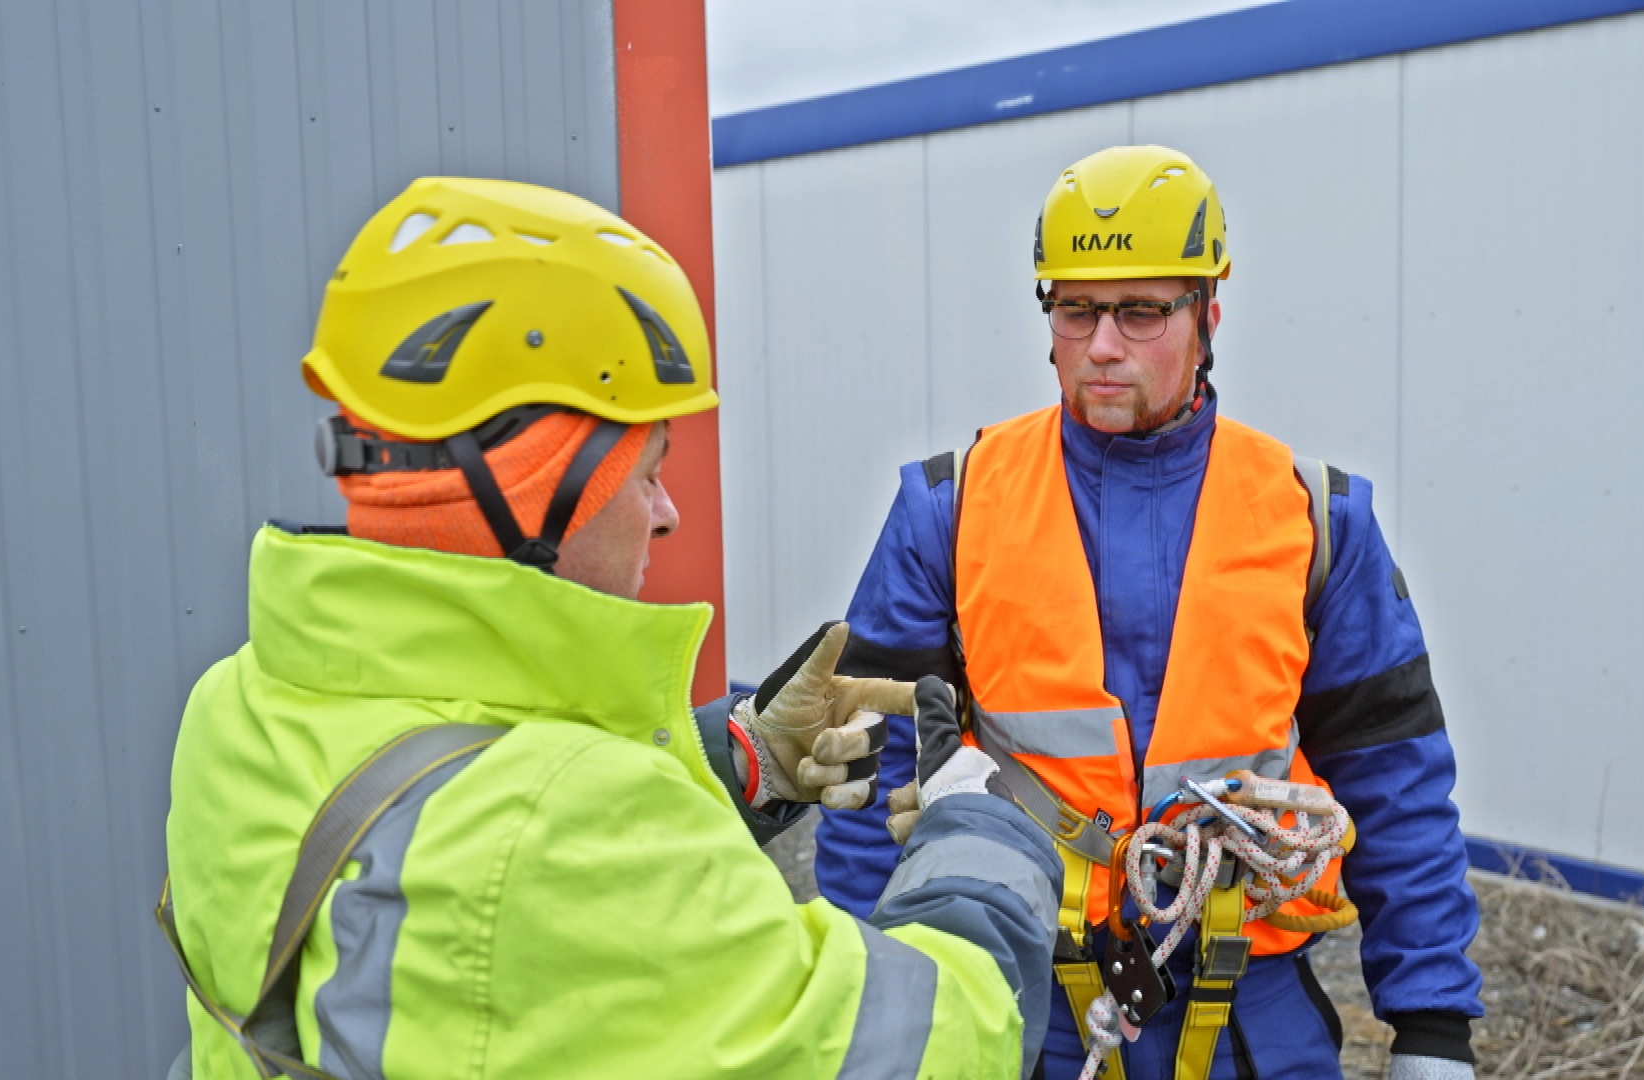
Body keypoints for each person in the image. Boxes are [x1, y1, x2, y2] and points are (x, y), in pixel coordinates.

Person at [159, 177, 1060, 1080]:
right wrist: (979, 835)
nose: (667, 513)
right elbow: (939, 1044)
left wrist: (734, 760)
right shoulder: (558, 833)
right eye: (647, 471)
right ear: (541, 481)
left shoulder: (239, 704)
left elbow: (463, 794)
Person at [814, 146, 1485, 1080]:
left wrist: (1431, 1027)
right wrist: (872, 1002)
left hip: (1253, 1019)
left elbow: (1394, 777)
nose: (1101, 344)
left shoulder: (1314, 517)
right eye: (1076, 309)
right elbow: (868, 771)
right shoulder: (954, 508)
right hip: (1021, 1000)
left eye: (1141, 311)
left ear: (1208, 315)